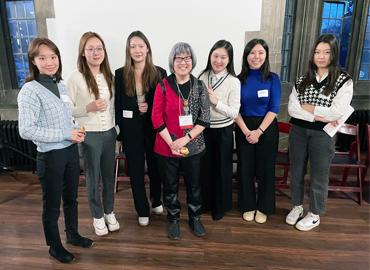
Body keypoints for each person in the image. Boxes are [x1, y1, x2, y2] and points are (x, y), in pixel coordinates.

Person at [17, 38, 93, 264]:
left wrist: (75, 132)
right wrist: (64, 134)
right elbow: (26, 130)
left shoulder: (60, 84)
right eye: (42, 57)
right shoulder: (30, 91)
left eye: (53, 56)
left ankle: (73, 235)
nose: (49, 62)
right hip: (51, 156)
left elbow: (64, 119)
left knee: (71, 198)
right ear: (33, 60)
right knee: (52, 204)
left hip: (70, 151)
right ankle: (54, 246)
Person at [286, 34, 353, 231]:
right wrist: (318, 115)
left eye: (326, 52)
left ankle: (314, 213)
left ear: (333, 54)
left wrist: (310, 108)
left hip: (323, 135)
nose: (321, 56)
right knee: (296, 169)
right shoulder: (302, 79)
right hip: (298, 130)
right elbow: (292, 109)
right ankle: (297, 206)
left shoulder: (343, 80)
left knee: (319, 174)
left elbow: (338, 111)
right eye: (317, 52)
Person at [152, 42, 210, 239]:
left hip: (193, 145)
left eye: (187, 58)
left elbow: (204, 118)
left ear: (192, 61)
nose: (183, 62)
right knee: (170, 186)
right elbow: (156, 118)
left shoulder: (199, 86)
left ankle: (195, 216)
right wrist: (172, 143)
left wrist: (185, 139)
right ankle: (173, 218)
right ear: (172, 62)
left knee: (194, 185)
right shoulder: (163, 85)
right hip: (166, 146)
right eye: (179, 58)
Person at [67, 32, 119, 236]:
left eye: (99, 48)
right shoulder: (75, 77)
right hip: (89, 134)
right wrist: (86, 107)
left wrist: (116, 129)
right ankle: (97, 216)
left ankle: (109, 212)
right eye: (90, 48)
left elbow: (113, 107)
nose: (96, 52)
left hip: (109, 133)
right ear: (82, 53)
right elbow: (67, 109)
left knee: (108, 176)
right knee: (93, 177)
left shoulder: (110, 77)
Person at [115, 31, 167, 226]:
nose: (137, 50)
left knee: (156, 168)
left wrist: (150, 107)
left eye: (140, 45)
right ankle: (142, 209)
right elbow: (118, 105)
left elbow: (165, 103)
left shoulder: (160, 72)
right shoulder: (120, 74)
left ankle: (156, 200)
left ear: (147, 48)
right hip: (131, 130)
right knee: (136, 170)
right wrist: (119, 133)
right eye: (133, 46)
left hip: (154, 128)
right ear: (128, 50)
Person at [235, 38, 281, 224]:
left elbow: (274, 108)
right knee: (245, 168)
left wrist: (258, 131)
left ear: (266, 55)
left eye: (261, 52)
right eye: (252, 52)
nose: (256, 56)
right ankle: (247, 206)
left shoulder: (273, 78)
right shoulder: (238, 80)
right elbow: (234, 109)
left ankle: (264, 207)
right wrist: (247, 131)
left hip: (267, 128)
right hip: (243, 126)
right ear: (246, 56)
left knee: (265, 169)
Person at [198, 40, 240, 221]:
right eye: (216, 56)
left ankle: (220, 207)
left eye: (223, 57)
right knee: (204, 168)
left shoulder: (233, 81)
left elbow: (234, 112)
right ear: (210, 56)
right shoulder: (202, 76)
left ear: (229, 60)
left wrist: (216, 102)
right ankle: (204, 203)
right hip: (204, 129)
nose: (218, 60)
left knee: (222, 170)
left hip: (223, 130)